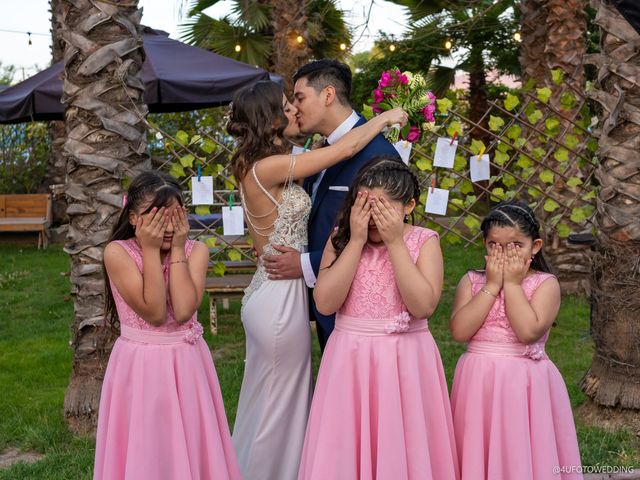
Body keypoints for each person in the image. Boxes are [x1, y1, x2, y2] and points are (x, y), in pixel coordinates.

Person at [226, 81, 408, 480]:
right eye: (286, 105)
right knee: (279, 403)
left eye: (295, 101)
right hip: (277, 297)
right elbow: (342, 150)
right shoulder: (266, 167)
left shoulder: (269, 160)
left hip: (274, 289)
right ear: (268, 117)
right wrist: (385, 117)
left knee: (273, 397)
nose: (293, 110)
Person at [297, 157, 459, 480]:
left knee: (403, 447)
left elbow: (423, 305)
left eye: (383, 209)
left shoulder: (423, 242)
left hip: (405, 365)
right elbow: (325, 303)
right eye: (365, 208)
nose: (373, 219)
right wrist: (355, 241)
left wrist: (396, 242)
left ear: (408, 205)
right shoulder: (342, 238)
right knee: (345, 447)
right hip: (350, 363)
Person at [93, 171, 241, 480]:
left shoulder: (195, 251)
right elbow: (156, 313)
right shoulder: (117, 253)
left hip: (187, 363)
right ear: (133, 218)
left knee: (190, 440)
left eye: (174, 215)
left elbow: (185, 310)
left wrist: (176, 250)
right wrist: (149, 249)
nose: (168, 225)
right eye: (157, 217)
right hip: (141, 366)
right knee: (147, 445)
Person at [263, 59, 402, 351]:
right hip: (327, 302)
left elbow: (381, 238)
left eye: (300, 97)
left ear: (328, 95)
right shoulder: (321, 152)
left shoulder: (378, 154)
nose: (295, 108)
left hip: (359, 306)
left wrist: (304, 264)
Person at [449, 200, 582, 480]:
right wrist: (491, 286)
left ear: (535, 246)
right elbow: (460, 332)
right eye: (495, 246)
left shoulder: (545, 284)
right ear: (484, 244)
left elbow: (527, 331)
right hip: (478, 383)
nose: (505, 254)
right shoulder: (472, 281)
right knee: (478, 448)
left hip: (524, 385)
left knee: (520, 449)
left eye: (515, 246)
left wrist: (510, 285)